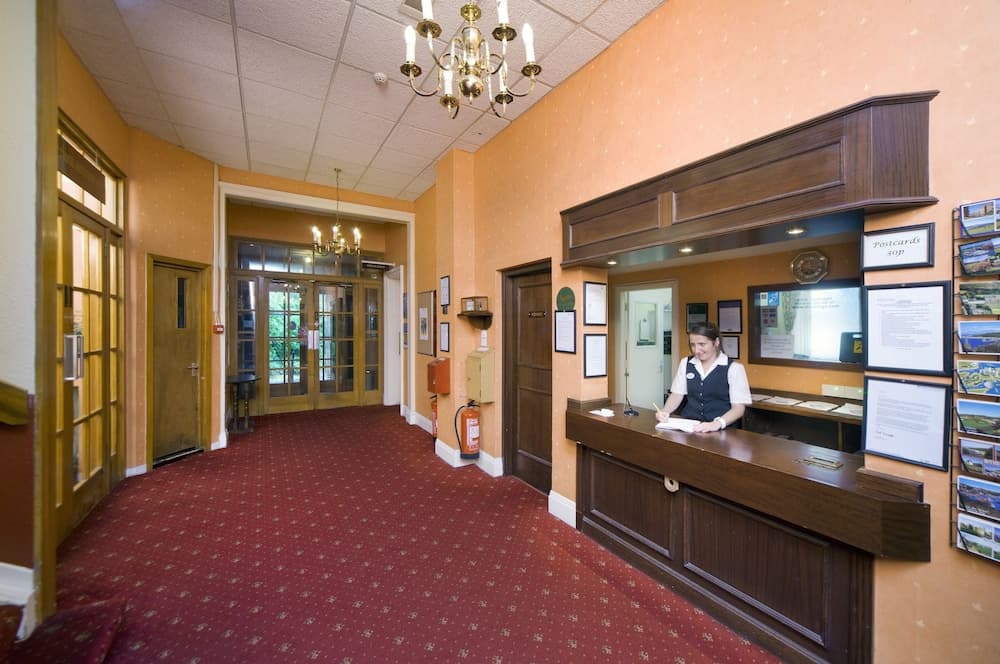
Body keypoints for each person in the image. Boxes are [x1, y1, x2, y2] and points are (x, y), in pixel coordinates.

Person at [655, 321, 751, 433]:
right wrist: (665, 411)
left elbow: (739, 408)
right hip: (690, 427)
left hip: (721, 430)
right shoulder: (686, 363)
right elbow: (677, 394)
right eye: (693, 345)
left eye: (702, 344)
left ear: (716, 342)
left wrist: (717, 424)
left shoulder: (734, 369)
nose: (696, 350)